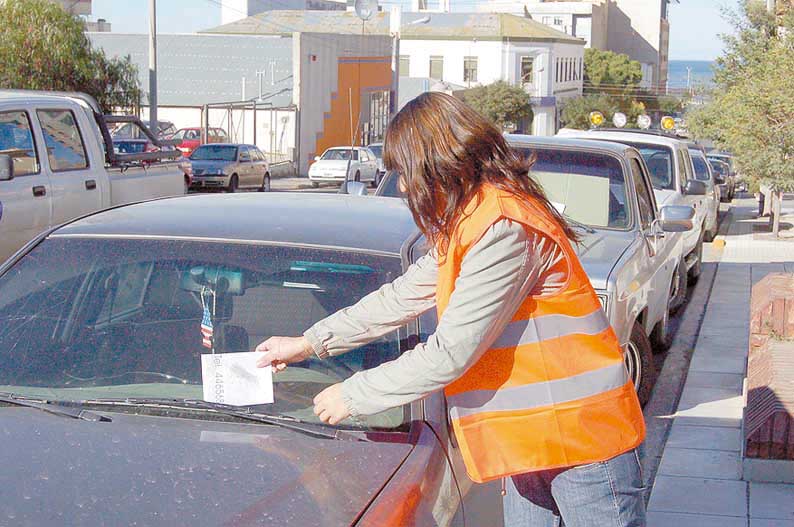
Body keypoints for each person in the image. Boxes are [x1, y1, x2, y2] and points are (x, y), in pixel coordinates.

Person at [256, 92, 647, 527]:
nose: (403, 187)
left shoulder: (504, 227)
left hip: (583, 444)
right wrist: (309, 343)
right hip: (532, 443)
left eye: (406, 172)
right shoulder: (471, 220)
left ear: (439, 160)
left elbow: (450, 352)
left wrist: (353, 394)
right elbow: (401, 296)